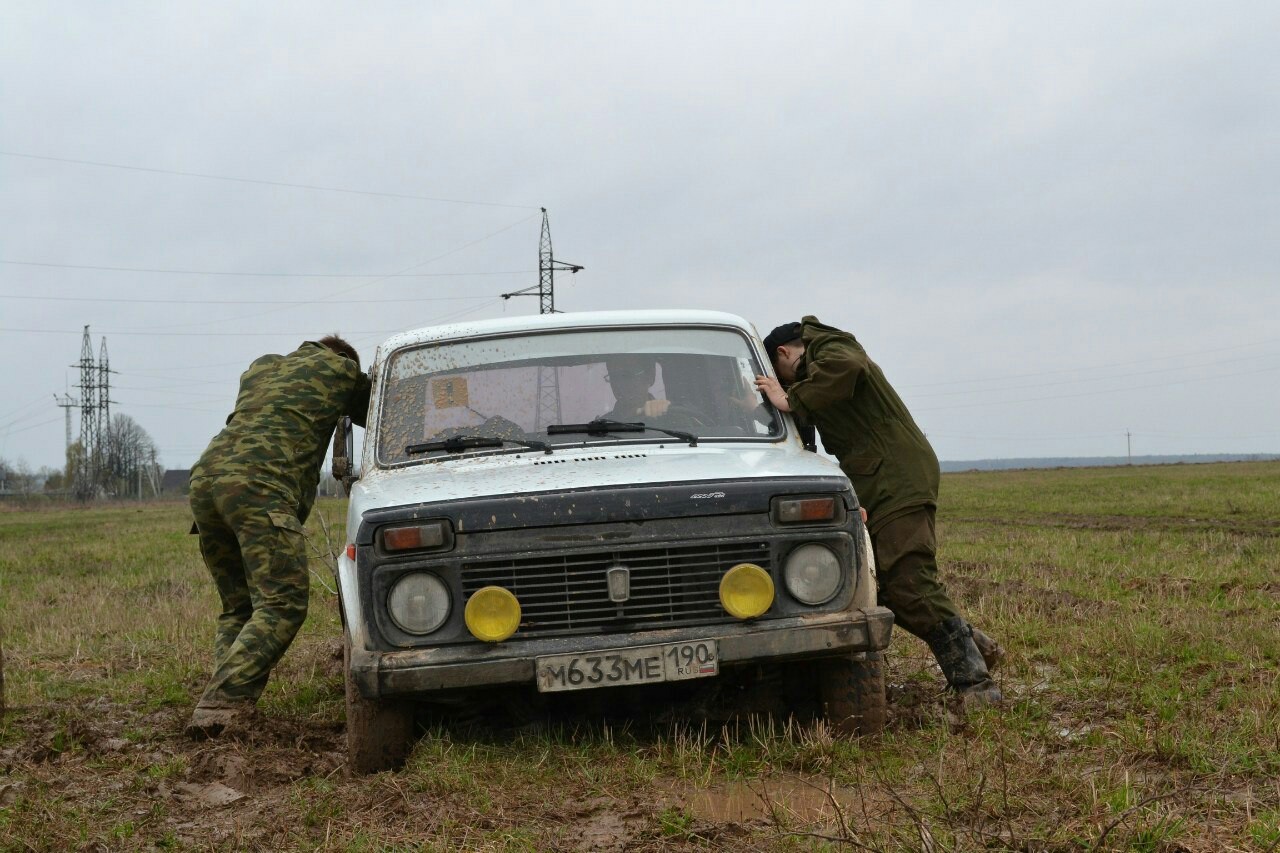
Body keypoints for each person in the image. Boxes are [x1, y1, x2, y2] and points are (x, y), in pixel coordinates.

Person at [755, 317, 1003, 704]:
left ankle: (976, 686)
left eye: (780, 373)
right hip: (879, 478)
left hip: (896, 476)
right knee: (877, 585)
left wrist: (791, 397)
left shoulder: (826, 346)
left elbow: (848, 367)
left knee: (909, 581)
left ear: (784, 353)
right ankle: (975, 646)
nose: (785, 384)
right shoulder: (816, 378)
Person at [186, 335, 371, 737]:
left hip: (204, 480)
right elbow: (388, 408)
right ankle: (224, 702)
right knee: (282, 603)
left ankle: (218, 700)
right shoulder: (341, 371)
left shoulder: (261, 368)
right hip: (258, 485)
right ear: (344, 359)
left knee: (239, 607)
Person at [600, 355, 671, 421]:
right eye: (614, 376)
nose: (619, 384)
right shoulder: (600, 428)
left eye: (627, 375)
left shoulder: (667, 419)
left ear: (650, 376)